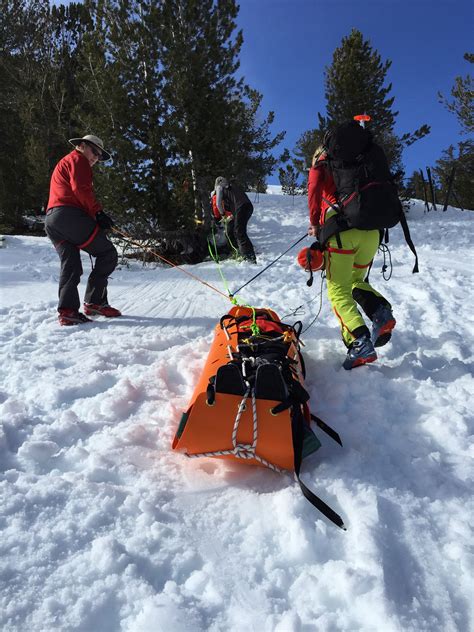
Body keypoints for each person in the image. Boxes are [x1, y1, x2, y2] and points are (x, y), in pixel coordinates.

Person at [308, 145, 396, 370]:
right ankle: (380, 311)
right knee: (356, 281)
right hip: (372, 232)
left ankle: (359, 341)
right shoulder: (362, 167)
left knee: (338, 291)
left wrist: (315, 223)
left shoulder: (322, 165)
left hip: (342, 233)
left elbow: (314, 189)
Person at [45, 134, 121, 326]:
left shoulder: (66, 162)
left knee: (71, 265)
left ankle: (68, 311)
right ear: (81, 146)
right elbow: (81, 189)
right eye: (94, 152)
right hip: (68, 216)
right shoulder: (78, 159)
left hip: (53, 220)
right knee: (108, 253)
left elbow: (73, 191)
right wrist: (98, 213)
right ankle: (95, 302)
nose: (95, 158)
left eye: (99, 156)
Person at [214, 177, 256, 263]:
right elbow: (237, 201)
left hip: (241, 208)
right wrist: (231, 217)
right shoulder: (233, 187)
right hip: (248, 206)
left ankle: (248, 256)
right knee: (237, 230)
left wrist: (222, 214)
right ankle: (245, 252)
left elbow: (218, 204)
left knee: (239, 231)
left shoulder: (219, 187)